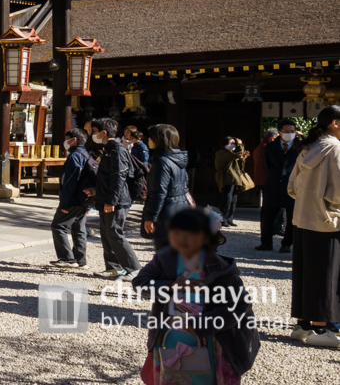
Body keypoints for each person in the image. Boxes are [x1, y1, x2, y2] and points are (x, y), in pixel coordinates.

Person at [129, 207, 261, 382]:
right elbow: (140, 282)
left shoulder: (220, 269)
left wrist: (200, 325)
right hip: (171, 335)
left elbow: (238, 306)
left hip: (209, 338)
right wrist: (170, 285)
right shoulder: (165, 261)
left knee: (204, 376)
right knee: (174, 374)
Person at [288, 104, 340, 348]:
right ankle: (322, 329)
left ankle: (302, 325)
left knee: (305, 270)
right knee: (326, 273)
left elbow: (291, 187)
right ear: (335, 123)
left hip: (302, 217)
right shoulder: (335, 148)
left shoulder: (307, 148)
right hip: (328, 220)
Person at [91, 118, 141, 278]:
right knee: (107, 232)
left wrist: (111, 200)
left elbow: (119, 177)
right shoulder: (108, 149)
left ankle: (134, 268)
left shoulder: (117, 150)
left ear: (104, 132)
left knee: (114, 231)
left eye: (95, 131)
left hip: (117, 200)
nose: (94, 135)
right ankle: (113, 267)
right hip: (107, 197)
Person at [48, 128, 95, 270]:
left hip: (73, 198)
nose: (65, 142)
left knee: (58, 225)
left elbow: (69, 181)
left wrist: (64, 202)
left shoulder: (74, 156)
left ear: (73, 140)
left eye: (67, 138)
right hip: (83, 198)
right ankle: (81, 260)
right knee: (79, 227)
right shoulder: (86, 154)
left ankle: (67, 258)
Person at [143, 123, 191, 252]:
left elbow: (159, 192)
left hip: (166, 211)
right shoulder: (178, 158)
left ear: (158, 139)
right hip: (181, 207)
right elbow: (185, 184)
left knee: (165, 252)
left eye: (150, 137)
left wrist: (151, 217)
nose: (148, 140)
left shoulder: (161, 161)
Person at [258, 118, 301, 253]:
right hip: (274, 184)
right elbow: (268, 164)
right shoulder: (270, 146)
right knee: (267, 215)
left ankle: (287, 244)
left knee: (292, 217)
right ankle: (266, 242)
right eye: (286, 131)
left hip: (293, 185)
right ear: (279, 132)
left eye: (292, 131)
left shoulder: (301, 146)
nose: (290, 133)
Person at [213, 136, 247, 227]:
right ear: (224, 145)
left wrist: (242, 160)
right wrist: (240, 145)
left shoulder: (231, 154)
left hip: (234, 179)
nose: (233, 145)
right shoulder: (220, 153)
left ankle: (229, 218)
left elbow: (240, 167)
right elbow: (237, 154)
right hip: (226, 178)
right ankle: (222, 219)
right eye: (230, 143)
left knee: (233, 200)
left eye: (234, 143)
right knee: (226, 200)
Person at [124, 125, 150, 206]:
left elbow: (145, 159)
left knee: (141, 183)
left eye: (133, 138)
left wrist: (143, 168)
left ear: (138, 138)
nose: (131, 140)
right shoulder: (135, 146)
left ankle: (141, 195)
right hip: (134, 167)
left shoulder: (142, 146)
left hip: (140, 168)